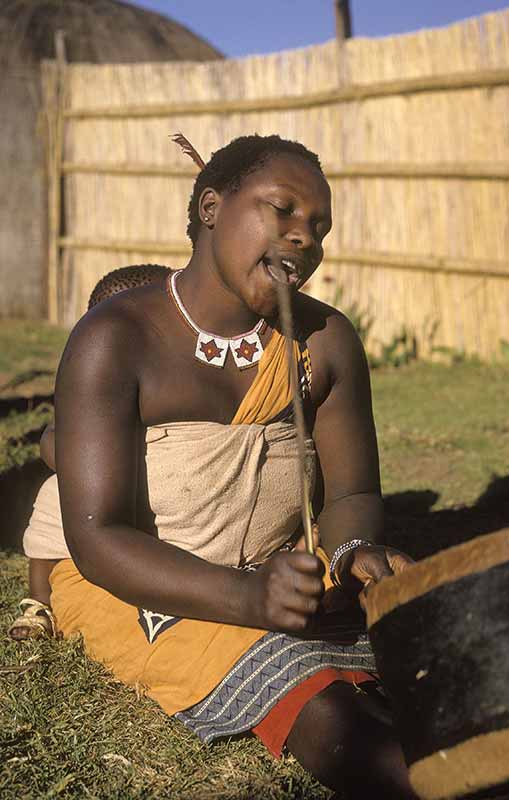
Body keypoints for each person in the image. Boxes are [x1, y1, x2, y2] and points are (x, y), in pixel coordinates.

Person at [18, 135, 416, 797]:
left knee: (426, 648)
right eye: (280, 210)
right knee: (312, 697)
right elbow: (98, 536)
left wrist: (347, 550)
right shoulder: (117, 340)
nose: (302, 239)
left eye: (317, 227)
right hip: (135, 577)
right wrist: (246, 598)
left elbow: (353, 491)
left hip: (273, 566)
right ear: (211, 206)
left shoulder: (325, 341)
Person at [8, 264, 172, 638]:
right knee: (51, 503)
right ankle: (40, 601)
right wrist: (70, 462)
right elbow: (57, 432)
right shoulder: (93, 373)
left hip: (163, 483)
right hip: (100, 482)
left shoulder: (177, 373)